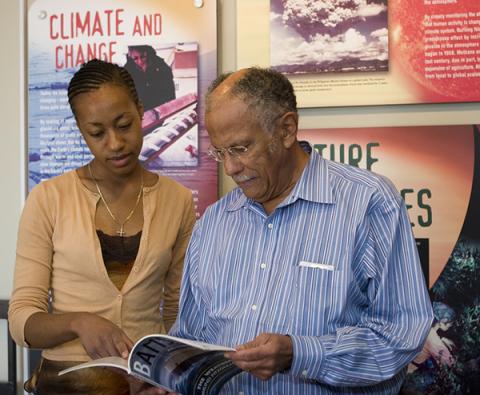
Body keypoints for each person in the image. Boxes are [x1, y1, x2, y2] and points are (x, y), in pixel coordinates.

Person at [167, 67, 434, 394]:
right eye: (219, 152)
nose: (231, 168)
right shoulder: (214, 222)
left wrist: (301, 353)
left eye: (240, 149)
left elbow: (399, 335)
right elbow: (192, 338)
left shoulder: (367, 202)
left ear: (286, 129)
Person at [8, 59, 196, 394]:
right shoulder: (48, 199)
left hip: (145, 384)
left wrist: (171, 375)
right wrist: (78, 323)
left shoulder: (177, 200)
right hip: (66, 384)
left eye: (124, 125)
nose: (115, 143)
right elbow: (23, 321)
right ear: (81, 130)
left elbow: (176, 309)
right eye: (97, 133)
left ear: (141, 110)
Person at [125, 45, 176, 111]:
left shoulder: (161, 66)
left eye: (143, 57)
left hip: (160, 108)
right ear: (131, 56)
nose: (140, 62)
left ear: (147, 53)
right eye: (135, 58)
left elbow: (170, 91)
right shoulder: (127, 70)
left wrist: (171, 108)